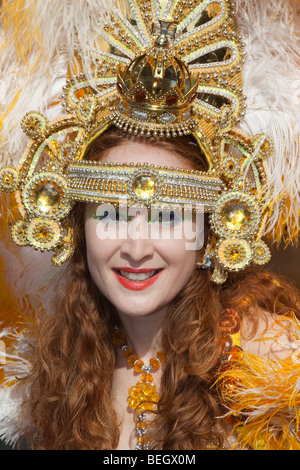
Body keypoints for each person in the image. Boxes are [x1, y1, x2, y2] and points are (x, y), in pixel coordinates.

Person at [0, 0, 299, 451]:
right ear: (78, 226)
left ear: (210, 228)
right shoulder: (45, 379)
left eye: (168, 216)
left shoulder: (275, 368)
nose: (136, 247)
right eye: (109, 213)